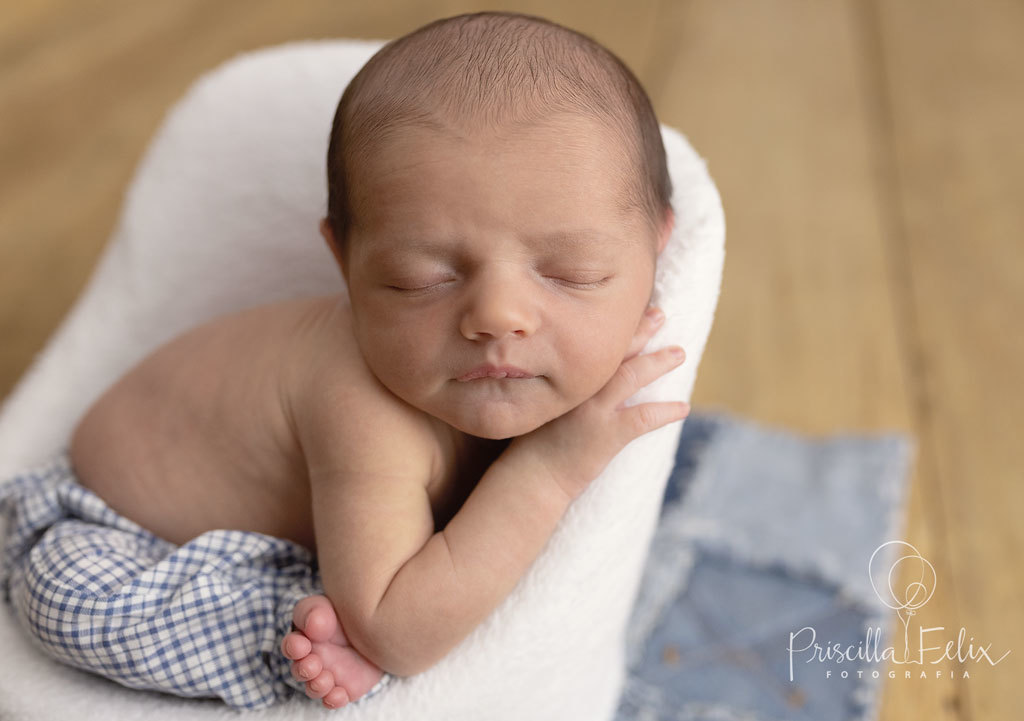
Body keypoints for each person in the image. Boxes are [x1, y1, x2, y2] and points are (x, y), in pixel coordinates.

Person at [0, 10, 689, 710]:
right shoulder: (364, 407)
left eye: (573, 272)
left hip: (304, 538)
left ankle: (309, 608)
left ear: (658, 245)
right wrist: (548, 467)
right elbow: (398, 631)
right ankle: (274, 628)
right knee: (63, 597)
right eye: (423, 279)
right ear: (346, 262)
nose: (497, 316)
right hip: (112, 526)